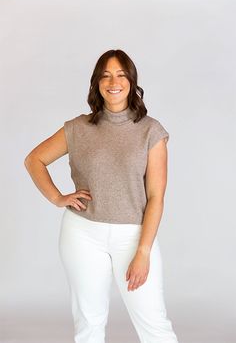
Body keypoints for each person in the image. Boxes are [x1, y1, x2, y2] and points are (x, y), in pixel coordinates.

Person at [24, 49, 179, 343]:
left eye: (121, 74)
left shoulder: (151, 131)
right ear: (97, 83)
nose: (113, 81)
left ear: (132, 82)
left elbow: (156, 196)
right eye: (105, 75)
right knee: (89, 323)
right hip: (82, 233)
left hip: (134, 236)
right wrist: (58, 198)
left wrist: (143, 251)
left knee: (155, 324)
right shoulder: (78, 128)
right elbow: (34, 160)